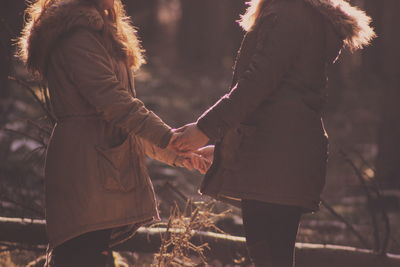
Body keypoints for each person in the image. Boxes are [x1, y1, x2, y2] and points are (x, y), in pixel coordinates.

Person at [171, 0, 376, 266]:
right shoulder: (296, 13)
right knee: (273, 257)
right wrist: (223, 149)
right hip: (278, 156)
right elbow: (275, 102)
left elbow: (256, 84)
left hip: (274, 161)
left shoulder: (287, 13)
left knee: (269, 257)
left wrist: (205, 129)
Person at [16, 0, 209, 266]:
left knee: (92, 253)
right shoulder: (77, 35)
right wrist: (169, 138)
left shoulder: (100, 30)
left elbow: (122, 116)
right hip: (86, 165)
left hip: (103, 163)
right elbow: (115, 104)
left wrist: (177, 153)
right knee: (80, 254)